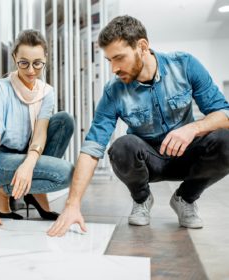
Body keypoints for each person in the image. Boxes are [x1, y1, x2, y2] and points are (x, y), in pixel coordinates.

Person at [48, 15, 229, 236]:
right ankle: (142, 199)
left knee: (226, 140)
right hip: (148, 160)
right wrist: (72, 205)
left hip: (187, 155)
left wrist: (192, 128)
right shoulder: (113, 91)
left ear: (142, 46)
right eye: (109, 61)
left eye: (119, 58)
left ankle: (186, 198)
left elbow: (225, 114)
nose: (114, 68)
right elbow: (92, 147)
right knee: (122, 147)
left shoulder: (185, 65)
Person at [0, 29, 75, 230]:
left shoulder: (46, 92)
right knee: (66, 173)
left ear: (45, 58)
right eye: (23, 63)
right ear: (14, 58)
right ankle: (4, 192)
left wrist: (29, 164)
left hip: (20, 155)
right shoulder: (0, 90)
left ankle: (32, 191)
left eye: (37, 63)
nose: (30, 71)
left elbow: (39, 134)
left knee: (64, 121)